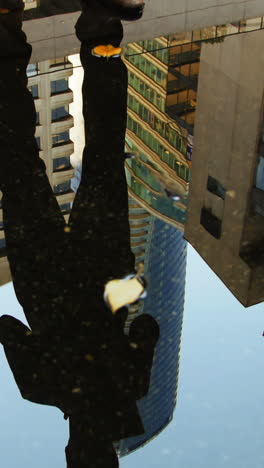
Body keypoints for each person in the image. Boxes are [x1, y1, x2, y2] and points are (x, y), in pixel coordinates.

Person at [0, 1, 160, 467]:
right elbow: (8, 328)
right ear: (70, 448)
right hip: (42, 271)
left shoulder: (131, 389)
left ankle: (100, 28)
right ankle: (6, 30)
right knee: (16, 157)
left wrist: (124, 294)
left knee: (106, 150)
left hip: (104, 265)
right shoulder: (39, 386)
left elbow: (146, 326)